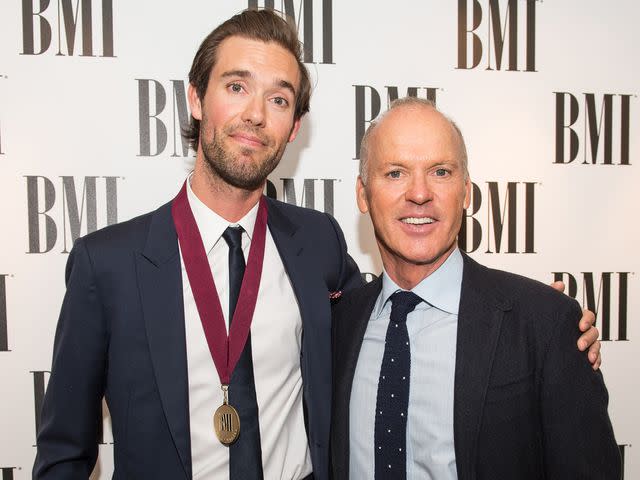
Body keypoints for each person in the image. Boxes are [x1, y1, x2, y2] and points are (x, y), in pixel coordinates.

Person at [33, 9, 600, 480]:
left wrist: (542, 329)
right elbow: (64, 455)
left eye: (278, 99)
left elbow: (407, 305)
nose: (255, 114)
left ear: (295, 126)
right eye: (236, 87)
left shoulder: (317, 244)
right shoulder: (104, 265)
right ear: (196, 99)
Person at [330, 97, 620, 479]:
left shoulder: (545, 324)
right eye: (396, 173)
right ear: (363, 195)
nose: (419, 193)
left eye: (441, 172)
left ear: (466, 191)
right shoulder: (338, 323)